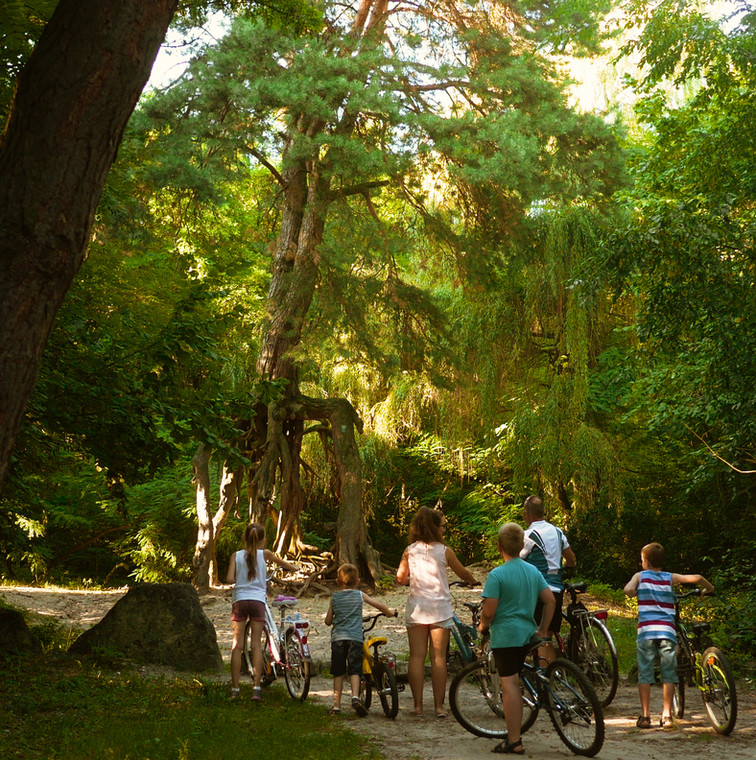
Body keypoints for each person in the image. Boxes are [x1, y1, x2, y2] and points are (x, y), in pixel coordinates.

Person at [479, 522, 555, 754]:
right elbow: (550, 601)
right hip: (527, 634)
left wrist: (482, 626)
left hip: (505, 637)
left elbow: (490, 611)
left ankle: (514, 740)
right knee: (520, 678)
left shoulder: (497, 575)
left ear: (499, 546)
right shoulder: (533, 571)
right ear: (522, 545)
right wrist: (542, 629)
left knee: (509, 684)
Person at [396, 507, 478, 718]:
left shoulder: (409, 550)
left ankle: (417, 706)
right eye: (442, 526)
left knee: (416, 657)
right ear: (434, 527)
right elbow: (463, 572)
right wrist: (472, 581)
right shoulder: (444, 551)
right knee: (439, 658)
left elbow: (400, 578)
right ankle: (439, 708)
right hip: (440, 609)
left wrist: (410, 580)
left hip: (417, 609)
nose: (443, 530)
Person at [624, 542, 713, 728]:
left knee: (645, 673)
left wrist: (634, 592)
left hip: (646, 632)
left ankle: (646, 716)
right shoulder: (669, 577)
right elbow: (697, 577)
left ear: (645, 562)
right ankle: (667, 716)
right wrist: (708, 589)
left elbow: (628, 590)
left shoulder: (640, 576)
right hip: (667, 631)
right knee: (668, 674)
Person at [225, 522, 299, 701]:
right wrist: (295, 568)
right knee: (256, 645)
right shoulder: (265, 554)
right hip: (258, 601)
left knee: (237, 646)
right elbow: (288, 566)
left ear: (245, 537)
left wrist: (238, 579)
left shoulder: (236, 556)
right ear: (263, 539)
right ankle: (256, 688)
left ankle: (235, 690)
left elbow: (229, 579)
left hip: (240, 601)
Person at [325, 563, 398, 716]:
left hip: (338, 638)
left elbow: (328, 620)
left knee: (338, 672)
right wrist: (390, 613)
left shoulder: (335, 597)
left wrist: (334, 618)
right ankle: (354, 697)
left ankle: (336, 706)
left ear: (338, 581)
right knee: (355, 669)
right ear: (357, 581)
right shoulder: (359, 595)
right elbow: (379, 605)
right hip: (355, 637)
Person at [520, 495, 576, 662]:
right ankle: (551, 679)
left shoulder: (528, 535)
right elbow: (571, 559)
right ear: (543, 512)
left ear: (526, 514)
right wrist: (564, 567)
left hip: (538, 591)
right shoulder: (558, 532)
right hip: (557, 590)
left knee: (539, 636)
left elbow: (516, 561)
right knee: (548, 637)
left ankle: (542, 680)